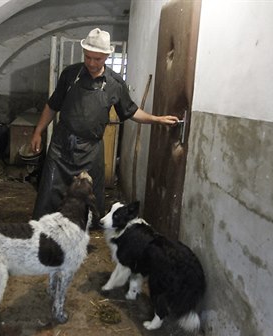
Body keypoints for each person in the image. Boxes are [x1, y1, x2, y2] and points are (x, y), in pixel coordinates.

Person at [30, 28, 179, 221]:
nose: (91, 63)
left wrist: (156, 119)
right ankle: (45, 231)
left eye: (97, 59)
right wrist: (37, 132)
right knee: (49, 193)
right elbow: (52, 105)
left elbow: (130, 111)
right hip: (61, 145)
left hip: (91, 150)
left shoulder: (115, 83)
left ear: (107, 56)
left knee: (90, 197)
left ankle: (81, 233)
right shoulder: (70, 74)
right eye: (88, 57)